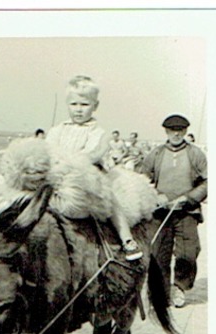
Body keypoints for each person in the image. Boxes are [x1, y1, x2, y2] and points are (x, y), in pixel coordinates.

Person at [46, 75, 143, 260]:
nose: (78, 110)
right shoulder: (57, 130)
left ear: (95, 106)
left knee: (111, 199)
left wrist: (68, 163)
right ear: (67, 104)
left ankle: (126, 238)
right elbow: (47, 151)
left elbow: (93, 155)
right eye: (74, 104)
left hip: (88, 177)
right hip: (58, 177)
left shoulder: (98, 132)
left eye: (84, 104)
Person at [142, 113, 209, 308]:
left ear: (186, 131)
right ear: (166, 131)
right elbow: (143, 180)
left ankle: (179, 287)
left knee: (189, 252)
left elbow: (207, 181)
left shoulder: (195, 154)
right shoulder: (155, 154)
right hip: (160, 213)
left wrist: (189, 198)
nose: (176, 134)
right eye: (172, 130)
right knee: (158, 253)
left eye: (180, 130)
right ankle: (161, 293)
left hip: (186, 212)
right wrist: (156, 196)